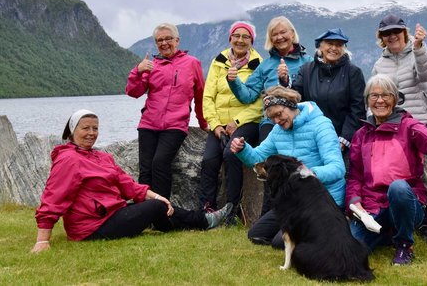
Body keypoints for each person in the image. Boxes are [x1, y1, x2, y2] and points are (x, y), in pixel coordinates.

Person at [31, 110, 231, 253]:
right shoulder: (69, 160)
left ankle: (194, 221)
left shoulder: (100, 157)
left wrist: (158, 196)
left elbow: (127, 185)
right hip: (91, 228)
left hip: (110, 214)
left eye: (95, 128)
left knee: (156, 204)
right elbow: (54, 198)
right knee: (154, 208)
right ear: (72, 130)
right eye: (85, 128)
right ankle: (203, 221)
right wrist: (42, 241)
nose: (91, 133)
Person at [346, 74, 427, 265]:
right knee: (351, 250)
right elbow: (355, 177)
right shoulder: (361, 135)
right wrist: (355, 203)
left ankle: (405, 245)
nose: (380, 100)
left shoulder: (409, 126)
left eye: (386, 95)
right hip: (373, 207)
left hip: (407, 203)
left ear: (395, 99)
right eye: (374, 96)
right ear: (367, 101)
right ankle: (387, 234)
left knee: (397, 188)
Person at [229, 86, 346, 248]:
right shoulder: (278, 131)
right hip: (295, 199)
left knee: (279, 242)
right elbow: (257, 158)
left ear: (291, 105)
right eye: (272, 118)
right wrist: (243, 150)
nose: (277, 121)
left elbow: (337, 168)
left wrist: (306, 174)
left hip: (324, 199)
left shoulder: (321, 125)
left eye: (278, 114)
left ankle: (324, 231)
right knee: (256, 234)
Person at [227, 16, 313, 215]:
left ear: (292, 34)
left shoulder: (308, 62)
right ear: (270, 39)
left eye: (284, 32)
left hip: (299, 121)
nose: (280, 37)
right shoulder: (266, 65)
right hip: (270, 122)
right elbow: (248, 95)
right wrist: (233, 80)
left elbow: (309, 94)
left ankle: (301, 210)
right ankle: (269, 214)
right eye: (275, 34)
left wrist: (286, 80)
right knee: (270, 167)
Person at [126, 23, 208, 200]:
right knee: (146, 169)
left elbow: (201, 95)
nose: (164, 43)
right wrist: (137, 71)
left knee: (160, 163)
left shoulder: (192, 63)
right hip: (148, 123)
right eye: (159, 40)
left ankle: (162, 211)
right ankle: (144, 213)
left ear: (177, 41)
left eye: (168, 39)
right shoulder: (151, 65)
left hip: (175, 125)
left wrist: (203, 122)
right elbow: (133, 92)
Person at [198, 21, 263, 224]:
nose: (240, 40)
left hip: (247, 121)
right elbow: (207, 97)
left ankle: (231, 209)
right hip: (219, 125)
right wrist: (215, 124)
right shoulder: (218, 61)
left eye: (246, 37)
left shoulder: (258, 64)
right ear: (230, 38)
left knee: (231, 153)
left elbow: (259, 102)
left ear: (252, 41)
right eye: (237, 36)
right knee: (209, 160)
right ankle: (206, 208)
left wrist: (236, 121)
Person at [278, 28, 366, 159]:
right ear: (320, 46)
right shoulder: (307, 70)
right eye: (330, 43)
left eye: (338, 45)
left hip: (340, 138)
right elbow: (296, 98)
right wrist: (284, 81)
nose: (334, 48)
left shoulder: (353, 72)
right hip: (311, 136)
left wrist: (343, 140)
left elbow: (357, 109)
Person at [372, 14, 427, 131]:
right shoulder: (379, 65)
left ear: (404, 33)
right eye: (386, 33)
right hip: (392, 127)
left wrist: (418, 48)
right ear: (381, 38)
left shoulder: (419, 52)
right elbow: (373, 98)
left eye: (396, 31)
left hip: (422, 124)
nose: (392, 36)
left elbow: (426, 76)